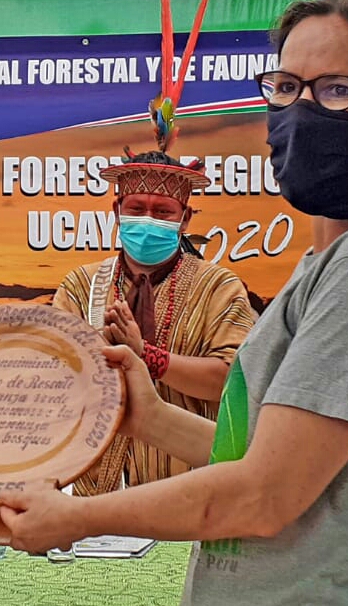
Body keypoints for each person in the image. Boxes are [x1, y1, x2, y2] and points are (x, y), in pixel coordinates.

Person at [1, 0, 348, 605]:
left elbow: (262, 496)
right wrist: (147, 417)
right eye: (286, 86)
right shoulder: (342, 256)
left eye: (338, 89)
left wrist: (76, 518)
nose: (302, 111)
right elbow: (265, 455)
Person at [52, 151, 254, 493]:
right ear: (117, 212)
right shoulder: (82, 285)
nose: (148, 220)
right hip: (93, 490)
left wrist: (147, 357)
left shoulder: (219, 287)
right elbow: (55, 378)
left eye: (162, 212)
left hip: (190, 488)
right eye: (136, 209)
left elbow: (229, 380)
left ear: (185, 219)